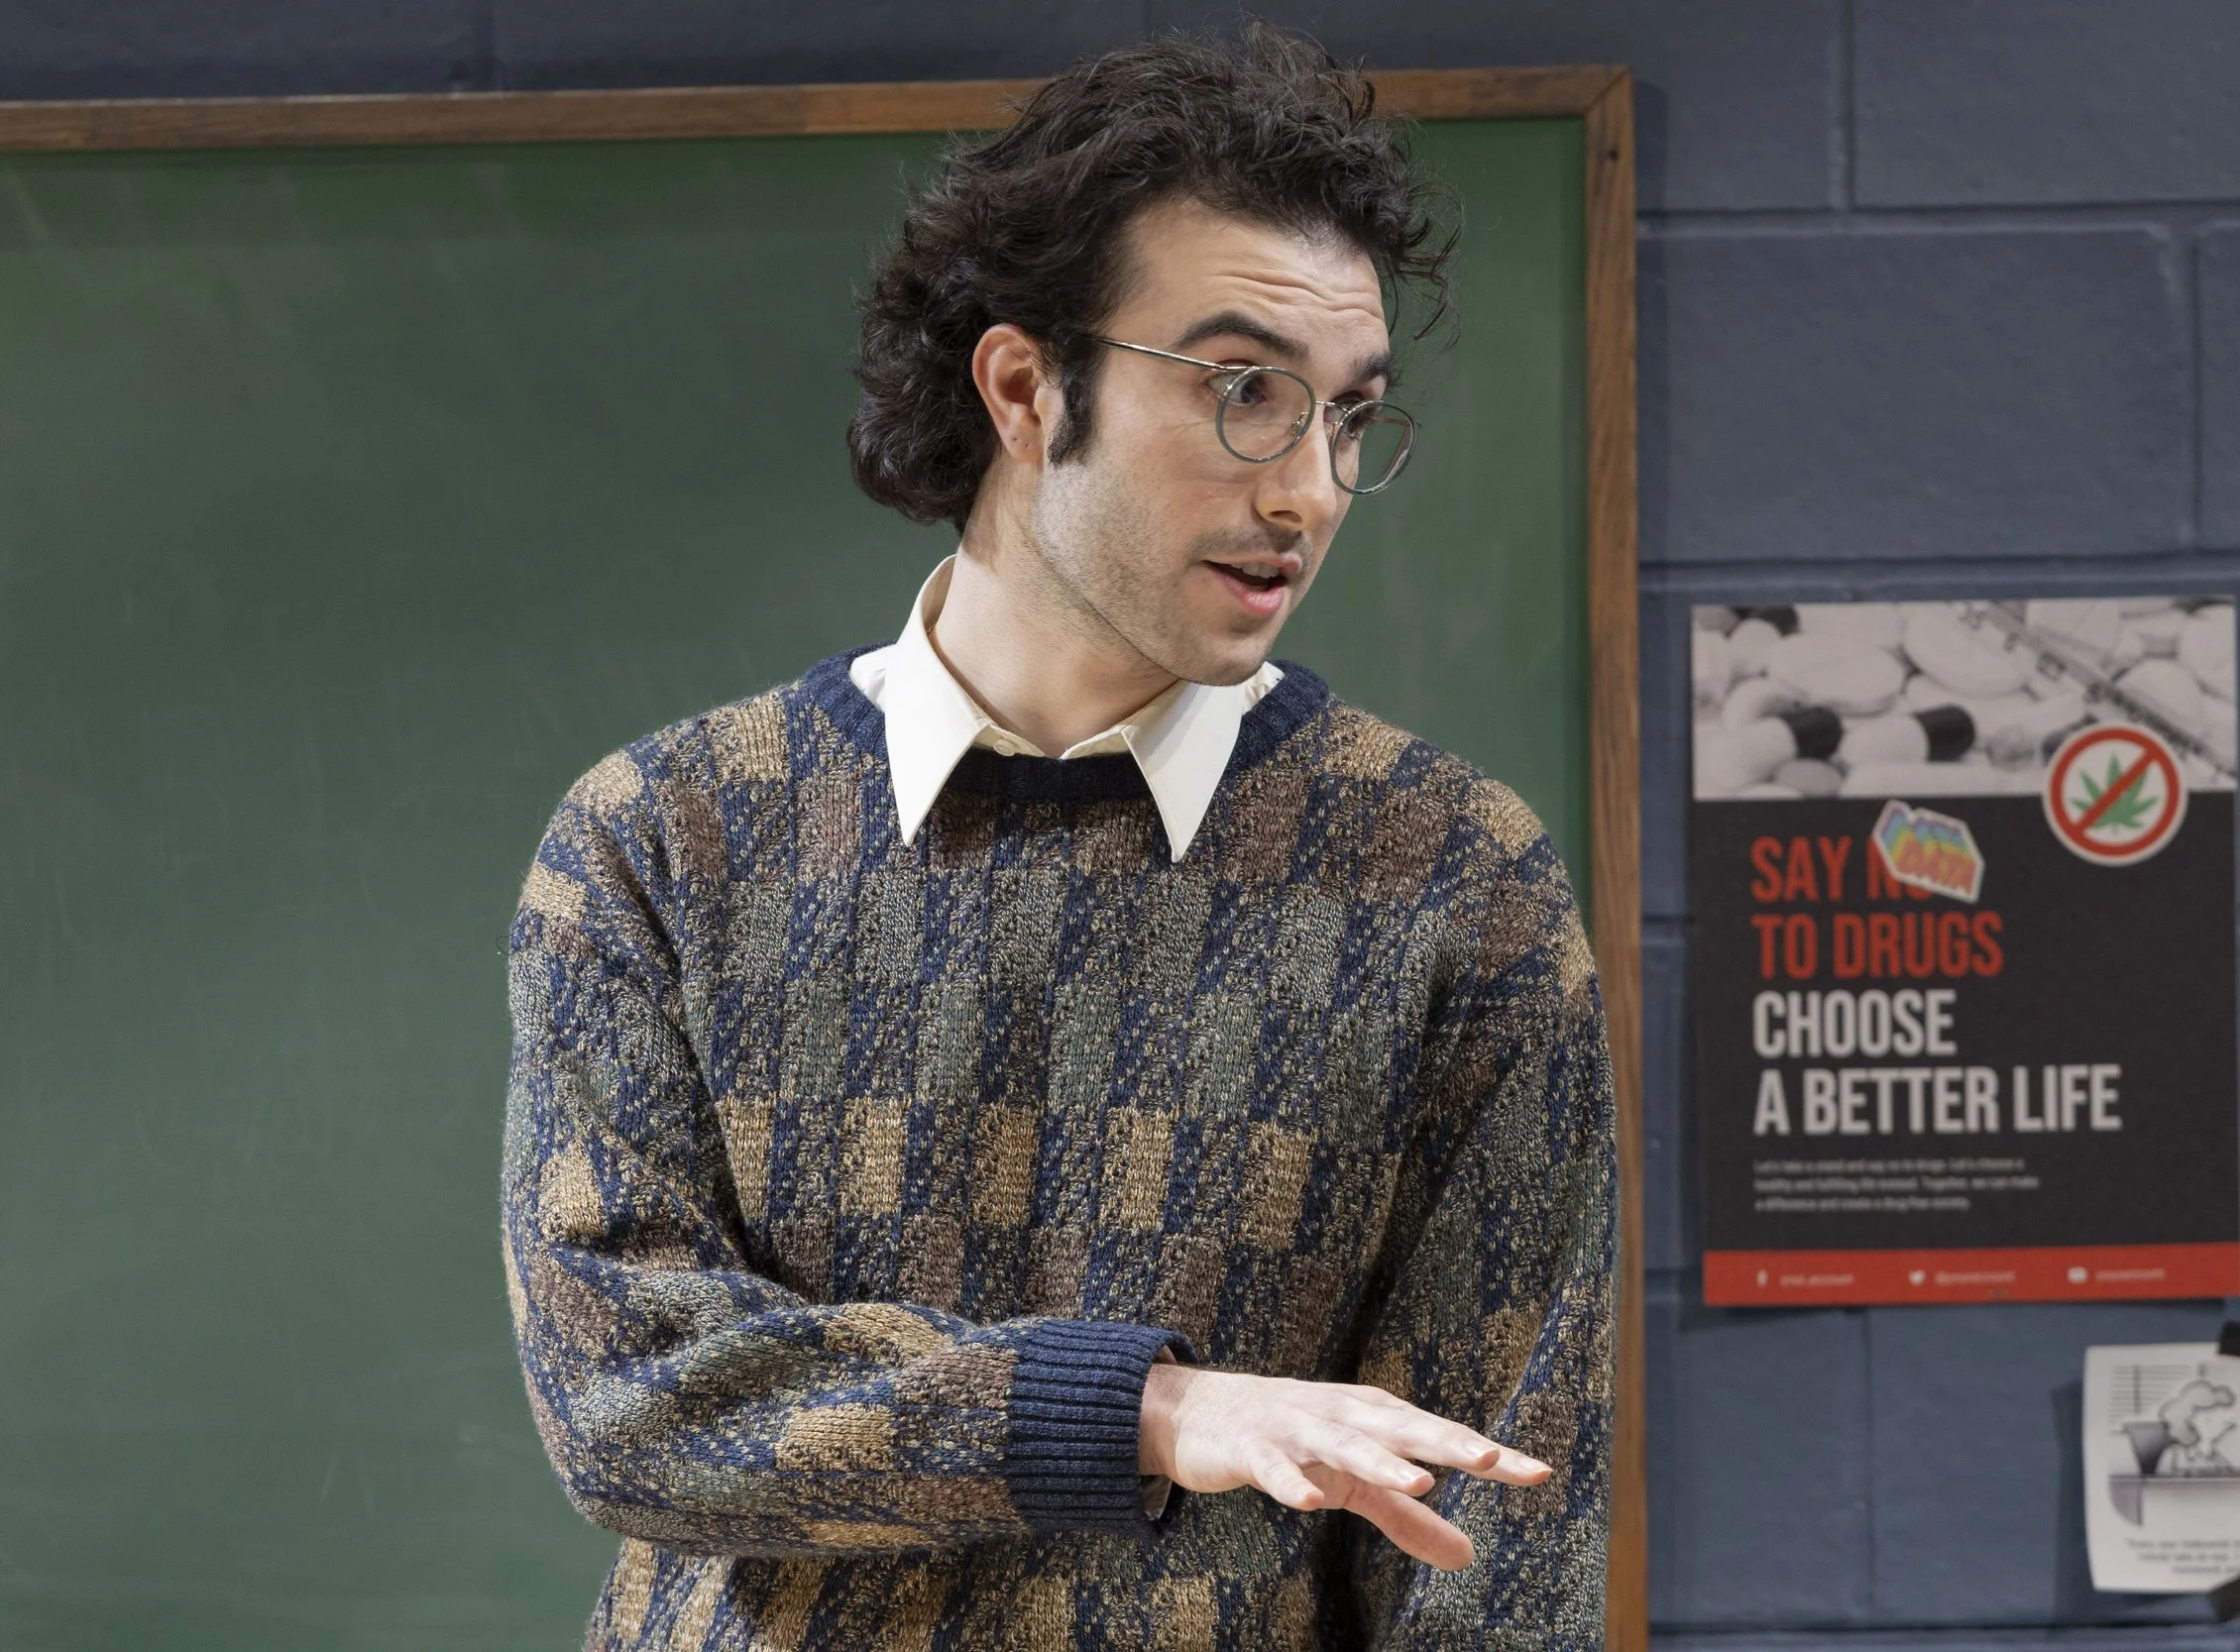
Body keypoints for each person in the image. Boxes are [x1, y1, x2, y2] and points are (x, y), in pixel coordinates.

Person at [500, 23, 1618, 1649]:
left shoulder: (1452, 879)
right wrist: (1148, 1412)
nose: (1308, 488)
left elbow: (1490, 1560)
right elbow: (635, 1393)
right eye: (1246, 393)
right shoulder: (665, 840)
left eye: (1347, 416)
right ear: (1027, 387)